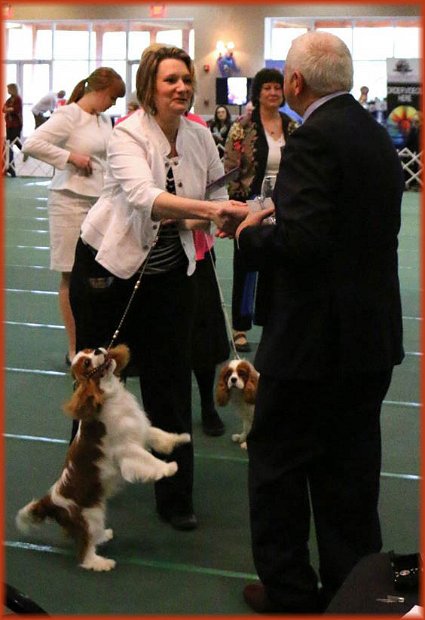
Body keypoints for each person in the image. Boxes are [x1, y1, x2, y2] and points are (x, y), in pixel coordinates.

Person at [233, 31, 404, 613]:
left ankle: (289, 592)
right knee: (351, 480)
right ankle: (355, 594)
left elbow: (302, 244)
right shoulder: (376, 136)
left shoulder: (314, 139)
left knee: (278, 468)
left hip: (311, 346)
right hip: (369, 339)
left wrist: (253, 234)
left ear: (296, 83)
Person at [68, 44, 247, 531]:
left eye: (186, 79)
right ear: (149, 86)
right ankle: (79, 487)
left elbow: (215, 192)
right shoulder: (126, 135)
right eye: (171, 80)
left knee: (170, 382)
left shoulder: (199, 135)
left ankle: (175, 497)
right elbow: (143, 197)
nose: (182, 88)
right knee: (98, 382)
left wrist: (225, 214)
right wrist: (211, 213)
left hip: (172, 275)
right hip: (110, 272)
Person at [22, 68, 126, 364]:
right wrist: (70, 158)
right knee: (72, 275)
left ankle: (100, 341)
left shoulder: (105, 120)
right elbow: (32, 143)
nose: (114, 104)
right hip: (68, 202)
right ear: (99, 90)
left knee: (104, 274)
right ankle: (75, 348)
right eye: (112, 97)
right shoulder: (68, 116)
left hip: (102, 203)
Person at [224, 68, 299, 352]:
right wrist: (235, 206)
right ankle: (240, 326)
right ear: (258, 92)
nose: (273, 93)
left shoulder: (293, 126)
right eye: (267, 88)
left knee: (280, 261)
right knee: (246, 264)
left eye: (277, 88)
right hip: (252, 203)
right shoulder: (242, 127)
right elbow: (230, 169)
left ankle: (272, 318)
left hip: (286, 204)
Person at [2, 83, 23, 177]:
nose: (7, 91)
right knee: (9, 146)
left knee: (15, 143)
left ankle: (27, 151)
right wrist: (9, 109)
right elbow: (3, 109)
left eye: (9, 89)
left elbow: (16, 110)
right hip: (9, 125)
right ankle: (11, 168)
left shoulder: (18, 99)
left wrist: (9, 109)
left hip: (16, 125)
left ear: (13, 89)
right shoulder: (9, 100)